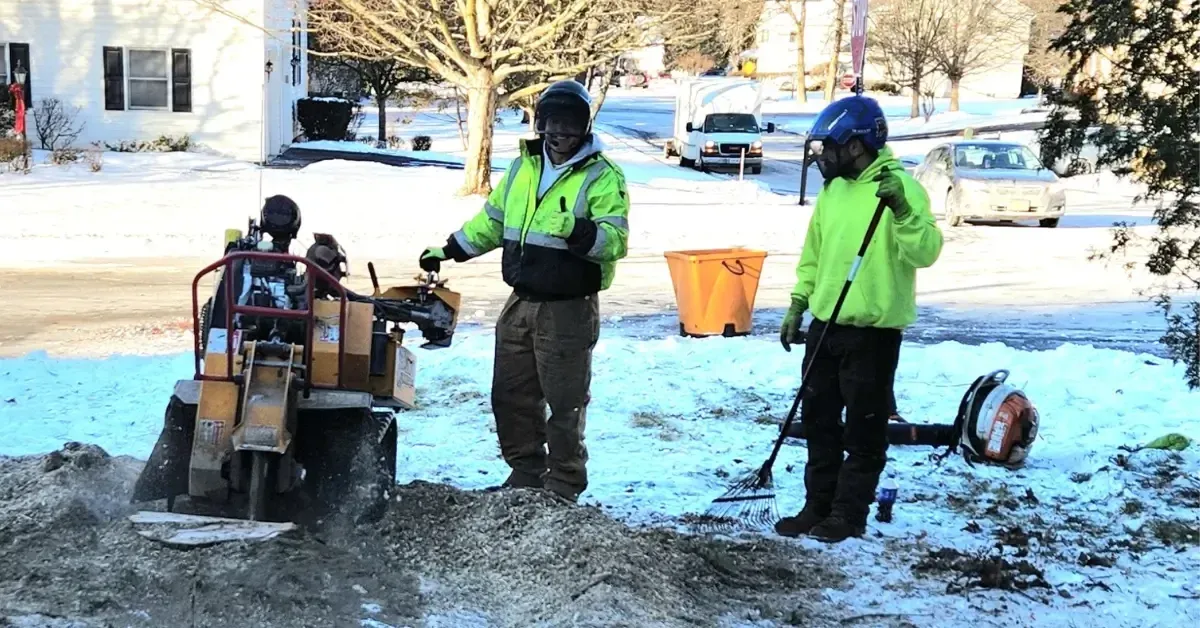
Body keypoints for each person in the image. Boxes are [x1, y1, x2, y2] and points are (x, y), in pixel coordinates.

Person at [417, 80, 630, 503]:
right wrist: (451, 248)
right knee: (511, 394)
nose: (559, 133)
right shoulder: (523, 168)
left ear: (584, 128)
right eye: (552, 123)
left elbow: (617, 240)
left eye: (569, 125)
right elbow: (493, 222)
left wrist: (580, 231)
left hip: (568, 307)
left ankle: (564, 483)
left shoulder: (603, 176)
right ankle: (526, 471)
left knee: (564, 402)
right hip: (521, 300)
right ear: (541, 124)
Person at [774, 95, 943, 542]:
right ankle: (817, 506)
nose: (820, 157)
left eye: (826, 147)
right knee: (819, 423)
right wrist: (798, 302)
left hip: (873, 333)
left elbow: (926, 251)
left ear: (854, 145)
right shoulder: (833, 192)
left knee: (864, 432)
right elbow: (815, 254)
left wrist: (903, 213)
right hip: (825, 328)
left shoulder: (899, 187)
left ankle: (849, 514)